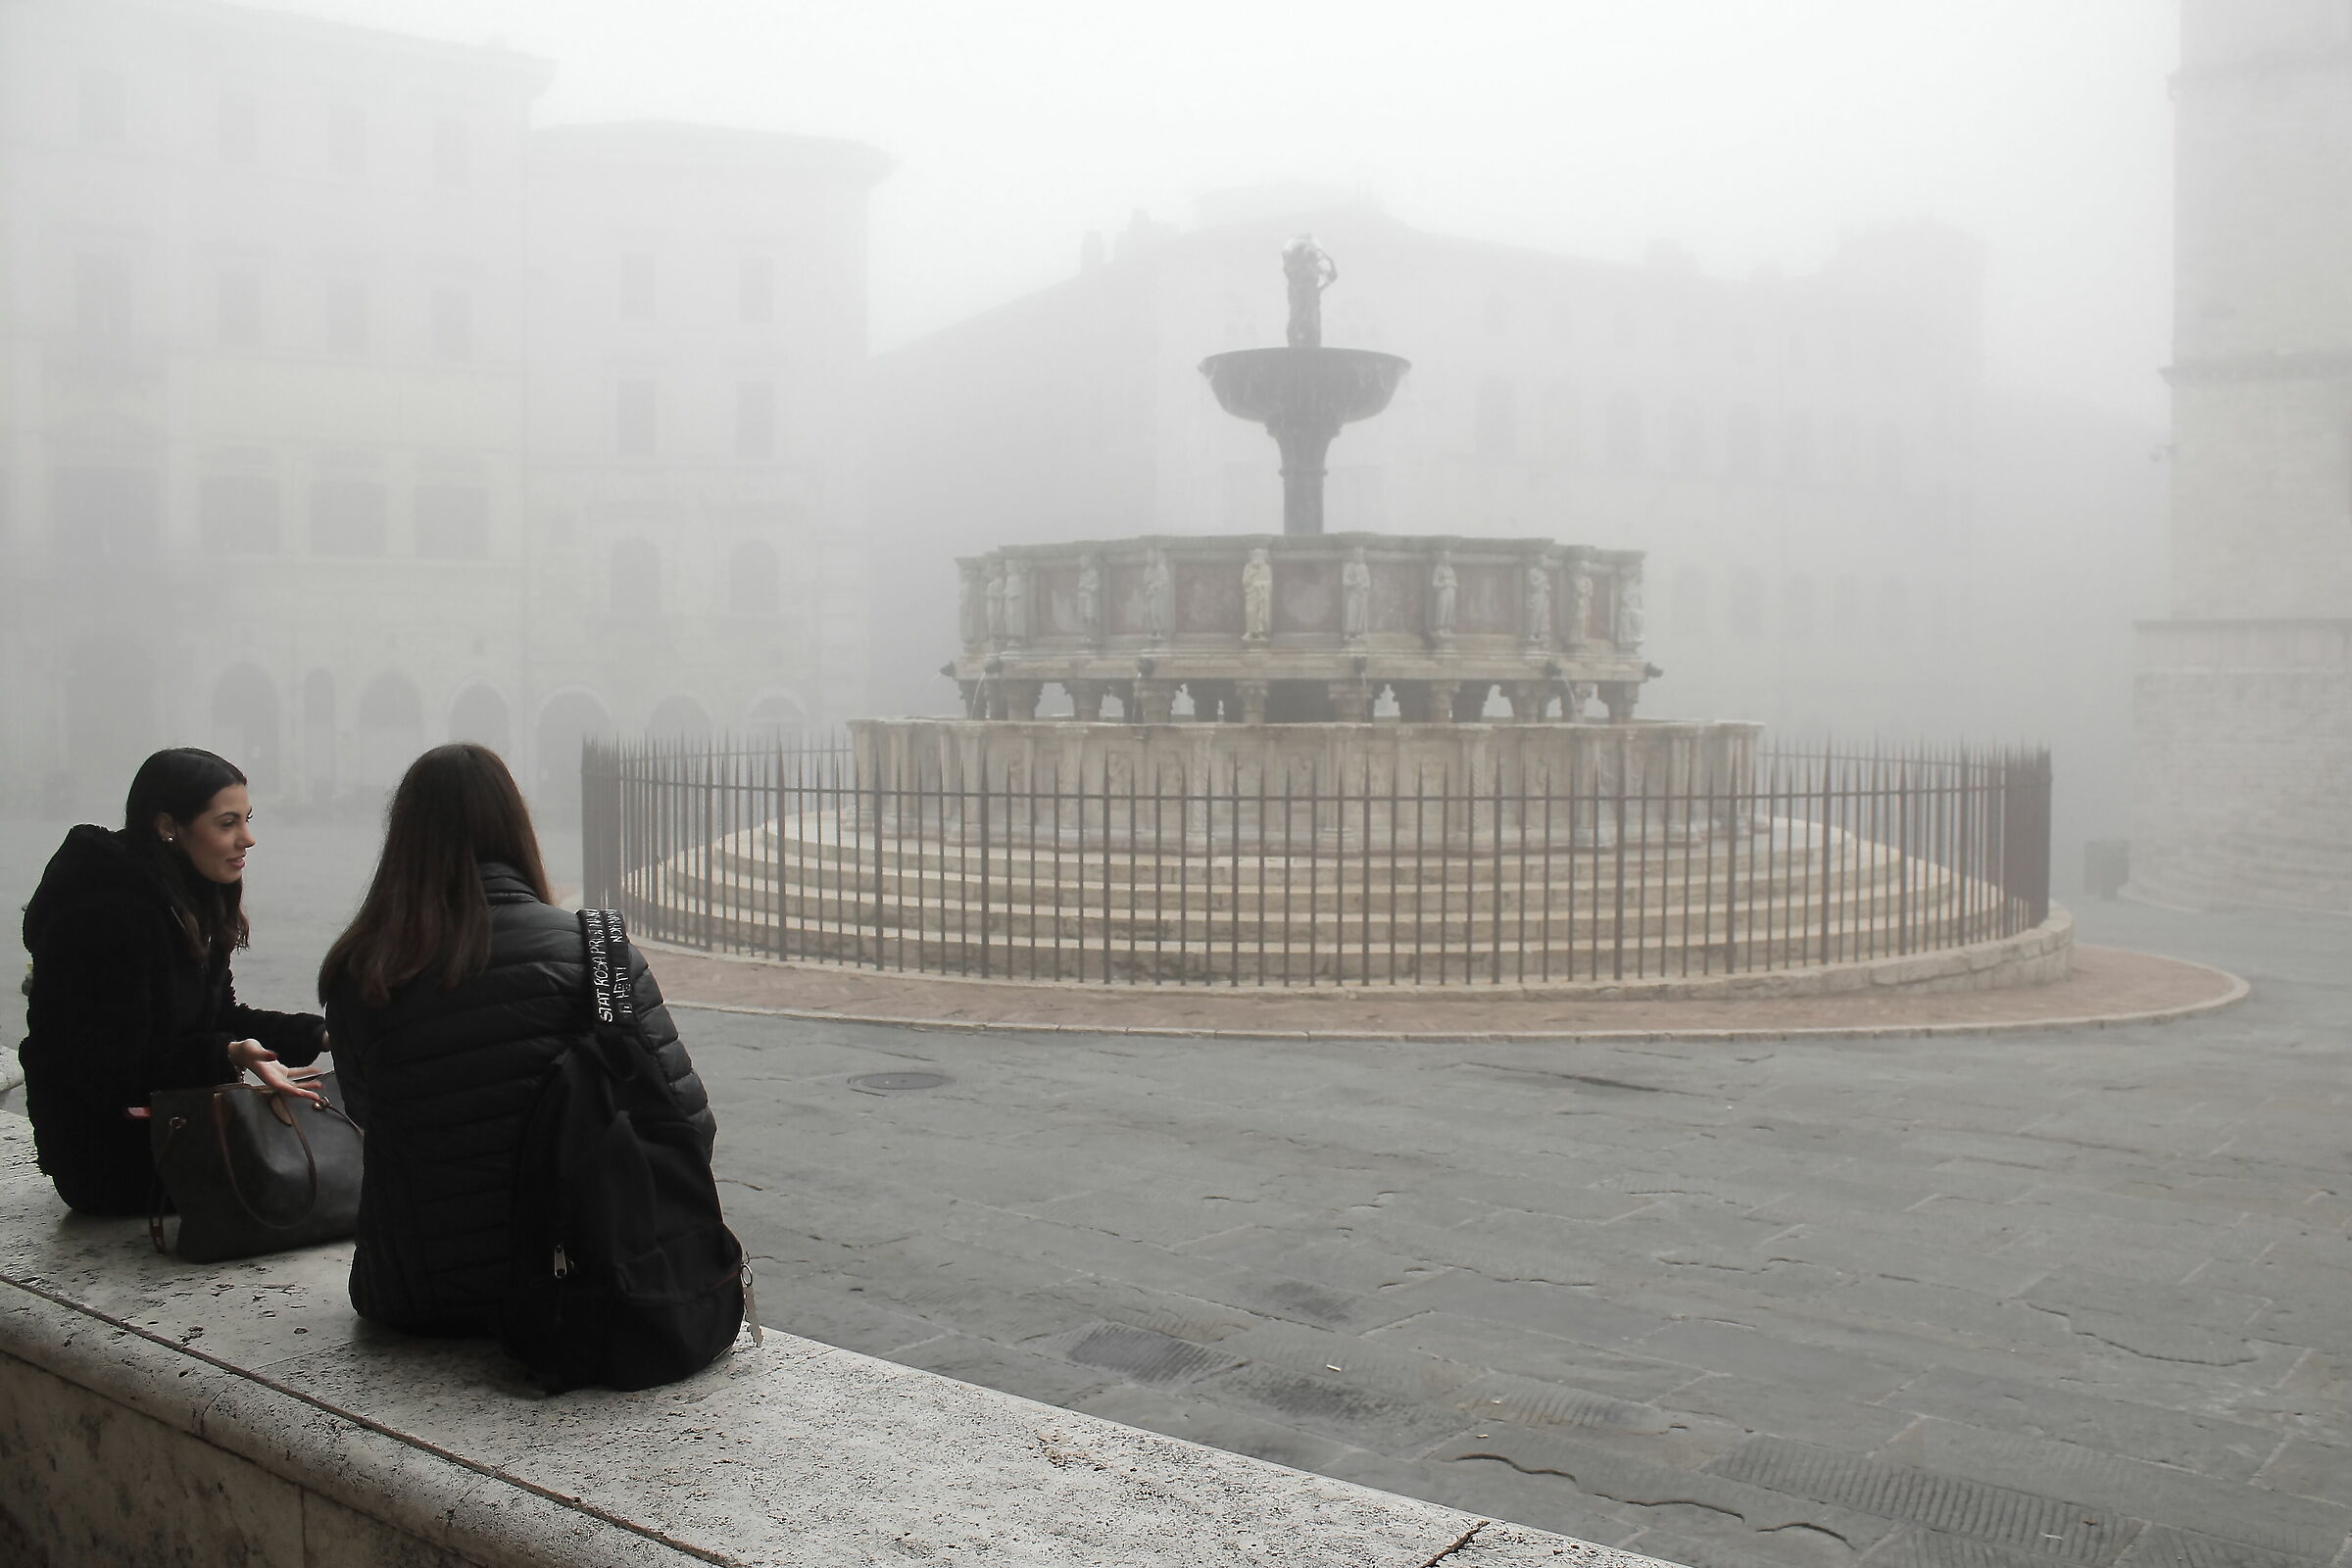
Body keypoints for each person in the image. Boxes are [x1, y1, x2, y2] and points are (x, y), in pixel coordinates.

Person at [317, 743, 715, 1337]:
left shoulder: (360, 973)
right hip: (583, 1280)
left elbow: (372, 1117)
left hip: (416, 1295)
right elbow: (686, 1125)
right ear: (515, 827)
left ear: (404, 839)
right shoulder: (597, 954)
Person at [18, 749, 326, 1216]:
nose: (249, 838)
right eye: (227, 824)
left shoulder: (189, 898)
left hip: (171, 1126)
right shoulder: (106, 915)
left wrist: (319, 1033)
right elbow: (109, 1069)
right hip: (108, 1156)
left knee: (326, 1162)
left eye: (247, 819)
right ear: (168, 827)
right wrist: (225, 1053)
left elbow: (219, 1014)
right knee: (318, 1183)